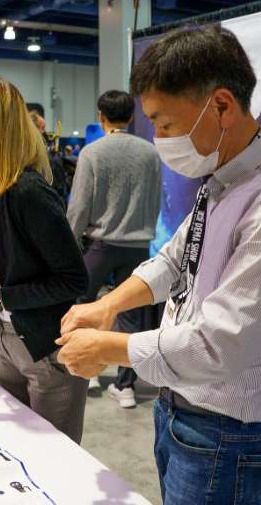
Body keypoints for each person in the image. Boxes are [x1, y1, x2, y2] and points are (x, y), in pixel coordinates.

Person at [57, 24, 261, 504]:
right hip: (180, 413)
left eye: (165, 123)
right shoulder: (224, 180)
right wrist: (109, 306)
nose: (160, 138)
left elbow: (220, 344)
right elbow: (175, 259)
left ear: (222, 106)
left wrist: (109, 347)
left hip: (225, 434)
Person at [0, 75, 89, 443]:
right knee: (16, 446)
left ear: (4, 124)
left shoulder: (28, 192)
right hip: (8, 338)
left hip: (48, 348)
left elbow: (73, 280)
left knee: (53, 455)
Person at [67, 89, 161, 408]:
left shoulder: (92, 153)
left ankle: (88, 372)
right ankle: (126, 387)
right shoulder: (150, 153)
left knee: (83, 306)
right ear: (132, 116)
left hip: (100, 244)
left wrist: (69, 242)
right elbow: (155, 200)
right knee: (131, 314)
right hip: (138, 246)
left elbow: (79, 206)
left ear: (100, 116)